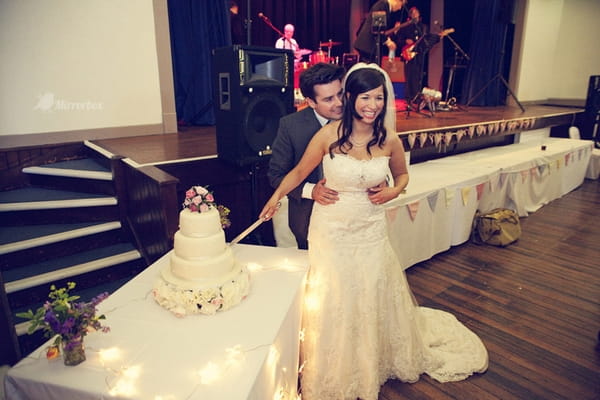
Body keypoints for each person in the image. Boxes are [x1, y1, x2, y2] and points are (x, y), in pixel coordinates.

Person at [260, 63, 488, 400]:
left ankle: (371, 360)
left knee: (369, 292)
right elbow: (295, 172)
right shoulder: (327, 135)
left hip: (370, 229)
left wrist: (394, 192)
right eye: (365, 96)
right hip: (332, 227)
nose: (372, 104)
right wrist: (275, 198)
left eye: (379, 97)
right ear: (352, 98)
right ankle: (333, 364)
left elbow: (403, 177)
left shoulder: (389, 139)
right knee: (335, 294)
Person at [268, 63, 345, 250]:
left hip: (350, 218)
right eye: (328, 99)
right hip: (307, 219)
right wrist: (311, 191)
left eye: (340, 94)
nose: (339, 103)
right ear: (311, 102)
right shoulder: (290, 126)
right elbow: (276, 176)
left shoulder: (357, 120)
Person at [395, 6, 439, 106]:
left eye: (416, 13)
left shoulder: (423, 27)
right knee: (409, 75)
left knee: (419, 75)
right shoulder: (405, 27)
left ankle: (417, 97)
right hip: (408, 54)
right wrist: (406, 41)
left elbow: (426, 40)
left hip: (419, 53)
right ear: (410, 15)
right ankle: (409, 97)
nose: (415, 14)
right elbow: (398, 40)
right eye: (413, 13)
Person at [353, 0, 407, 64]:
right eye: (401, 5)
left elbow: (380, 28)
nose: (400, 8)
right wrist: (388, 42)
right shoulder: (382, 5)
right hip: (368, 45)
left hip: (368, 45)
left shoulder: (384, 6)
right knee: (370, 70)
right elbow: (378, 29)